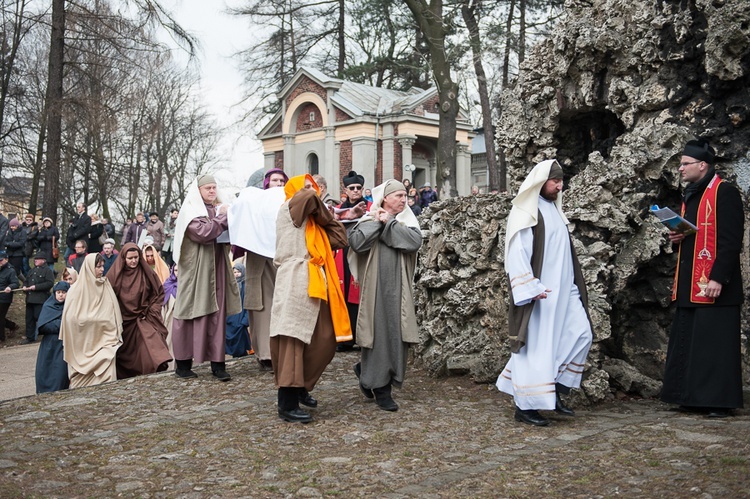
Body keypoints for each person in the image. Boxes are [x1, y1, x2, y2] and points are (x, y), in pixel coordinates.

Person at [495, 159, 593, 427]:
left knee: (582, 334)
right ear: (541, 182)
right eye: (555, 181)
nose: (560, 186)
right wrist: (529, 286)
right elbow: (517, 252)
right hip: (540, 293)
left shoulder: (554, 210)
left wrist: (573, 287)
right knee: (536, 349)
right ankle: (524, 407)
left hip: (565, 290)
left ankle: (555, 390)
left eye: (561, 181)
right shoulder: (526, 210)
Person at [661, 139, 744, 418]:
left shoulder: (725, 193)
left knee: (714, 344)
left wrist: (718, 277)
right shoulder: (692, 195)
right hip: (690, 282)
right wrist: (677, 236)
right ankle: (690, 397)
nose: (681, 169)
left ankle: (718, 401)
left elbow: (731, 242)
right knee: (691, 340)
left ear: (702, 165)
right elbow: (695, 235)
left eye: (685, 164)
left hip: (714, 284)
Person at [269, 174, 351, 423]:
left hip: (317, 280)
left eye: (314, 188)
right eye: (305, 187)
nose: (310, 192)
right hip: (294, 277)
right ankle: (287, 402)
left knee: (325, 338)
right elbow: (305, 198)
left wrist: (322, 215)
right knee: (292, 338)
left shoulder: (314, 223)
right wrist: (325, 209)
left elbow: (340, 238)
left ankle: (302, 385)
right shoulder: (288, 209)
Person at [348, 180, 422, 412]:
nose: (403, 199)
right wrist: (379, 223)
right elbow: (357, 243)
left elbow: (413, 242)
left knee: (398, 335)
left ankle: (370, 372)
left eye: (405, 196)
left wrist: (389, 222)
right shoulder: (369, 220)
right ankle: (381, 388)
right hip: (376, 289)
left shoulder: (406, 220)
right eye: (398, 195)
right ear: (385, 199)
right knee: (378, 334)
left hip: (400, 289)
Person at [171, 174, 241, 381]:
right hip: (195, 271)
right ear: (198, 190)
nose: (212, 191)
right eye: (207, 188)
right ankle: (183, 364)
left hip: (217, 267)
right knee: (188, 311)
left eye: (214, 187)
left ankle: (218, 365)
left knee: (217, 313)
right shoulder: (191, 211)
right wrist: (224, 217)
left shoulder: (218, 209)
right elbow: (202, 232)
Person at [244, 168, 288, 371]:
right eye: (275, 180)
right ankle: (265, 353)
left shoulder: (289, 203)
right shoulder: (255, 203)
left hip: (281, 256)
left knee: (282, 304)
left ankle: (282, 351)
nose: (278, 184)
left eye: (282, 181)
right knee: (262, 304)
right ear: (266, 183)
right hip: (259, 258)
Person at [106, 243, 172, 379]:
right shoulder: (115, 275)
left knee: (150, 348)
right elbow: (107, 297)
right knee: (125, 356)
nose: (134, 261)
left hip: (142, 319)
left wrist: (152, 311)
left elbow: (159, 293)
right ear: (124, 258)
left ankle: (151, 375)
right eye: (130, 258)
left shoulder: (146, 272)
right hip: (123, 323)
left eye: (136, 257)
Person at [60, 253, 123, 388]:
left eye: (102, 266)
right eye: (98, 267)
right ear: (88, 267)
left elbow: (113, 313)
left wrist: (101, 321)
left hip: (105, 342)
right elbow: (70, 320)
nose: (101, 270)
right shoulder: (75, 290)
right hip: (82, 346)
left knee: (107, 382)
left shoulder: (105, 285)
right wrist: (92, 320)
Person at [335, 170, 371, 352]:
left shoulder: (371, 208)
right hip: (343, 253)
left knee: (362, 294)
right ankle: (346, 338)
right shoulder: (339, 210)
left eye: (359, 188)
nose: (356, 190)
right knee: (344, 294)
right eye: (352, 188)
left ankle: (363, 336)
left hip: (363, 254)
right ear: (346, 190)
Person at [35, 281, 71, 394]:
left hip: (64, 345)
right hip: (49, 345)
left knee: (60, 373)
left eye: (64, 292)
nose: (60, 295)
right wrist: (62, 324)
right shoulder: (48, 305)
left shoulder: (71, 306)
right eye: (58, 292)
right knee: (45, 371)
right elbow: (43, 325)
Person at [21, 252, 55, 344]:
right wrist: (24, 286)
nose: (35, 260)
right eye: (35, 259)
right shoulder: (31, 271)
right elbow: (26, 281)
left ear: (43, 260)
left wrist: (36, 287)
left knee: (40, 318)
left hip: (40, 299)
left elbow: (49, 283)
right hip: (30, 299)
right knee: (29, 319)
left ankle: (45, 334)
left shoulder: (47, 271)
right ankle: (30, 337)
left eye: (38, 259)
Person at [225, 262, 251, 358]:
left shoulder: (246, 287)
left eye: (238, 272)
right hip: (230, 321)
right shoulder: (230, 286)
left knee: (241, 345)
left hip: (240, 321)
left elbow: (248, 304)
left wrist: (245, 321)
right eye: (234, 272)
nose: (236, 274)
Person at [0, 250, 20, 341]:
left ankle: (1, 338)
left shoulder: (10, 270)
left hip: (4, 298)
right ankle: (12, 325)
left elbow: (16, 283)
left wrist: (9, 287)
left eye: (1, 260)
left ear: (6, 259)